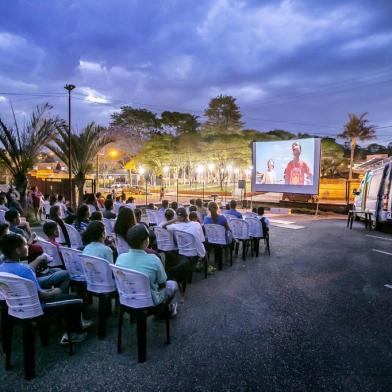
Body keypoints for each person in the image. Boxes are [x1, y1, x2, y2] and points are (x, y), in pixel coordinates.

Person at [0, 233, 90, 344]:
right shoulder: (25, 270)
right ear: (18, 250)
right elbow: (42, 296)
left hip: (16, 308)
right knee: (76, 299)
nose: (27, 246)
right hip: (39, 308)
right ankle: (73, 333)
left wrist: (47, 291)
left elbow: (34, 291)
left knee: (62, 293)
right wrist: (57, 291)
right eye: (25, 245)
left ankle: (71, 322)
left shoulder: (2, 268)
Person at [116, 224, 178, 315]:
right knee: (172, 284)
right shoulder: (153, 259)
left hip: (126, 298)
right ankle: (164, 311)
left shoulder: (120, 257)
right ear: (146, 241)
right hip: (149, 302)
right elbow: (162, 283)